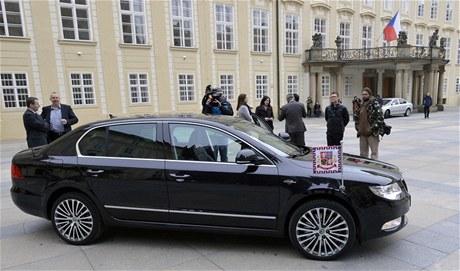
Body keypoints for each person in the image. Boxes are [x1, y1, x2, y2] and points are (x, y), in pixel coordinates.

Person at [353, 87, 385, 160]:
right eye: (363, 94)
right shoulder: (361, 105)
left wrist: (372, 128)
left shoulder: (375, 104)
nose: (364, 96)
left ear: (369, 94)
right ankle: (364, 169)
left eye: (366, 94)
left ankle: (373, 168)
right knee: (363, 154)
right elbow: (356, 117)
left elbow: (380, 118)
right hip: (362, 133)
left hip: (372, 133)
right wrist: (358, 128)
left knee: (374, 153)